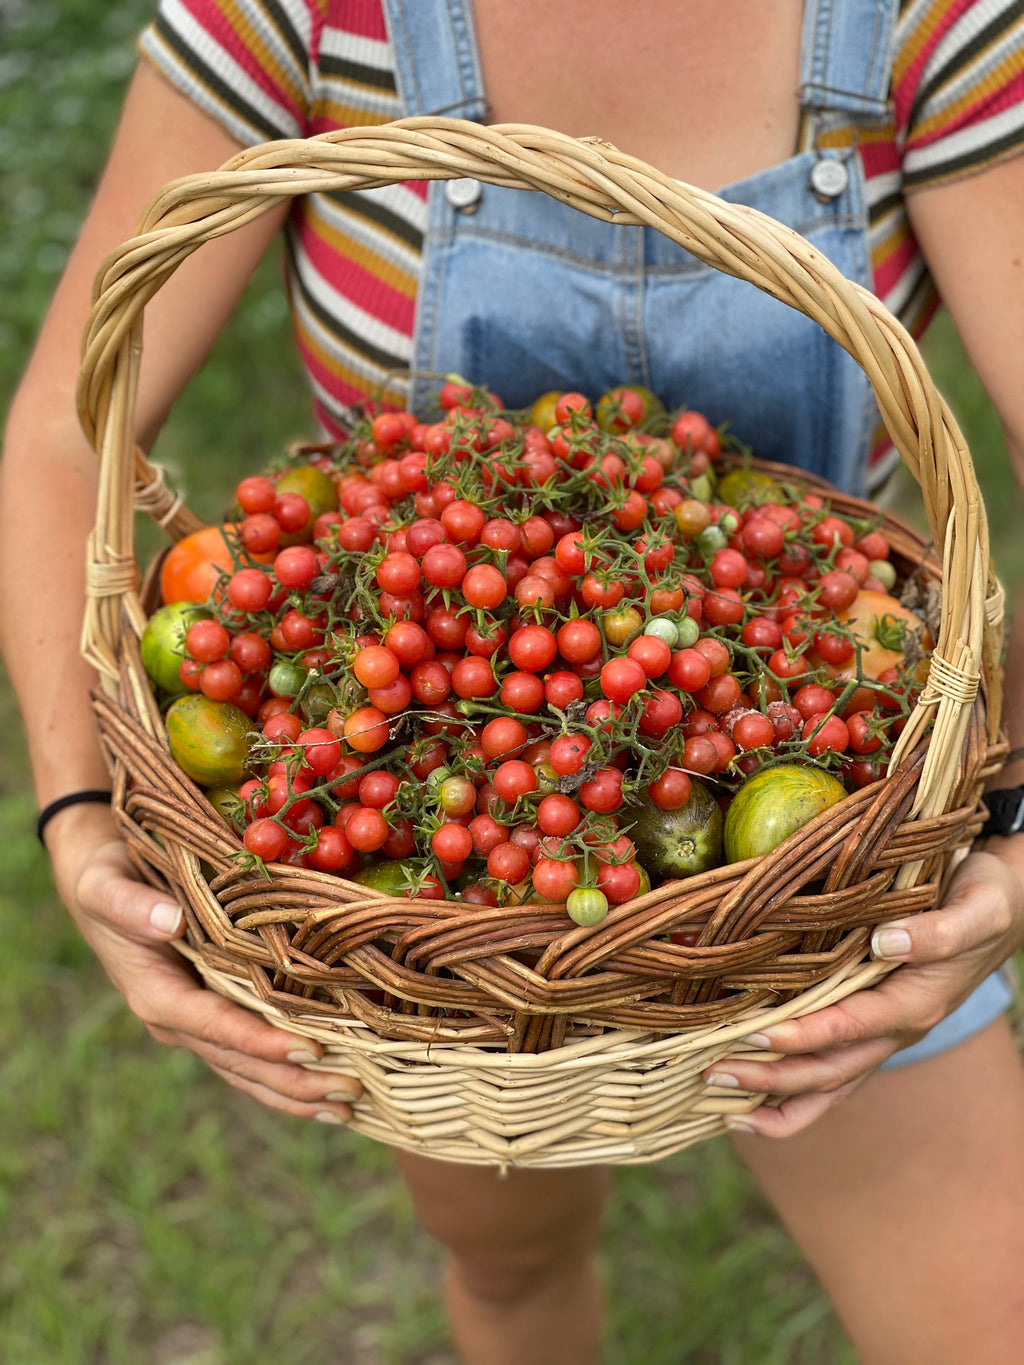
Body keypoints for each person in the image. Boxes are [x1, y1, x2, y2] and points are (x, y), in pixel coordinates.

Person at [3, 1, 1024, 1361]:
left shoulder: (922, 23)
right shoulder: (306, 17)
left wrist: (1014, 825)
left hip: (837, 866)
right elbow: (65, 442)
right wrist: (77, 816)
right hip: (450, 943)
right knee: (509, 1271)